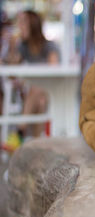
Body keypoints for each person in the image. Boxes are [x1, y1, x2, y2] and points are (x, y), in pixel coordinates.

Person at [7, 10, 59, 142]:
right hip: (32, 95)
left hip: (52, 92)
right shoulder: (23, 47)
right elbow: (11, 74)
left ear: (33, 25)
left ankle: (20, 131)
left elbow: (54, 72)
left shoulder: (49, 46)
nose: (19, 26)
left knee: (37, 90)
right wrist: (13, 47)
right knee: (40, 102)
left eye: (23, 23)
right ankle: (37, 144)